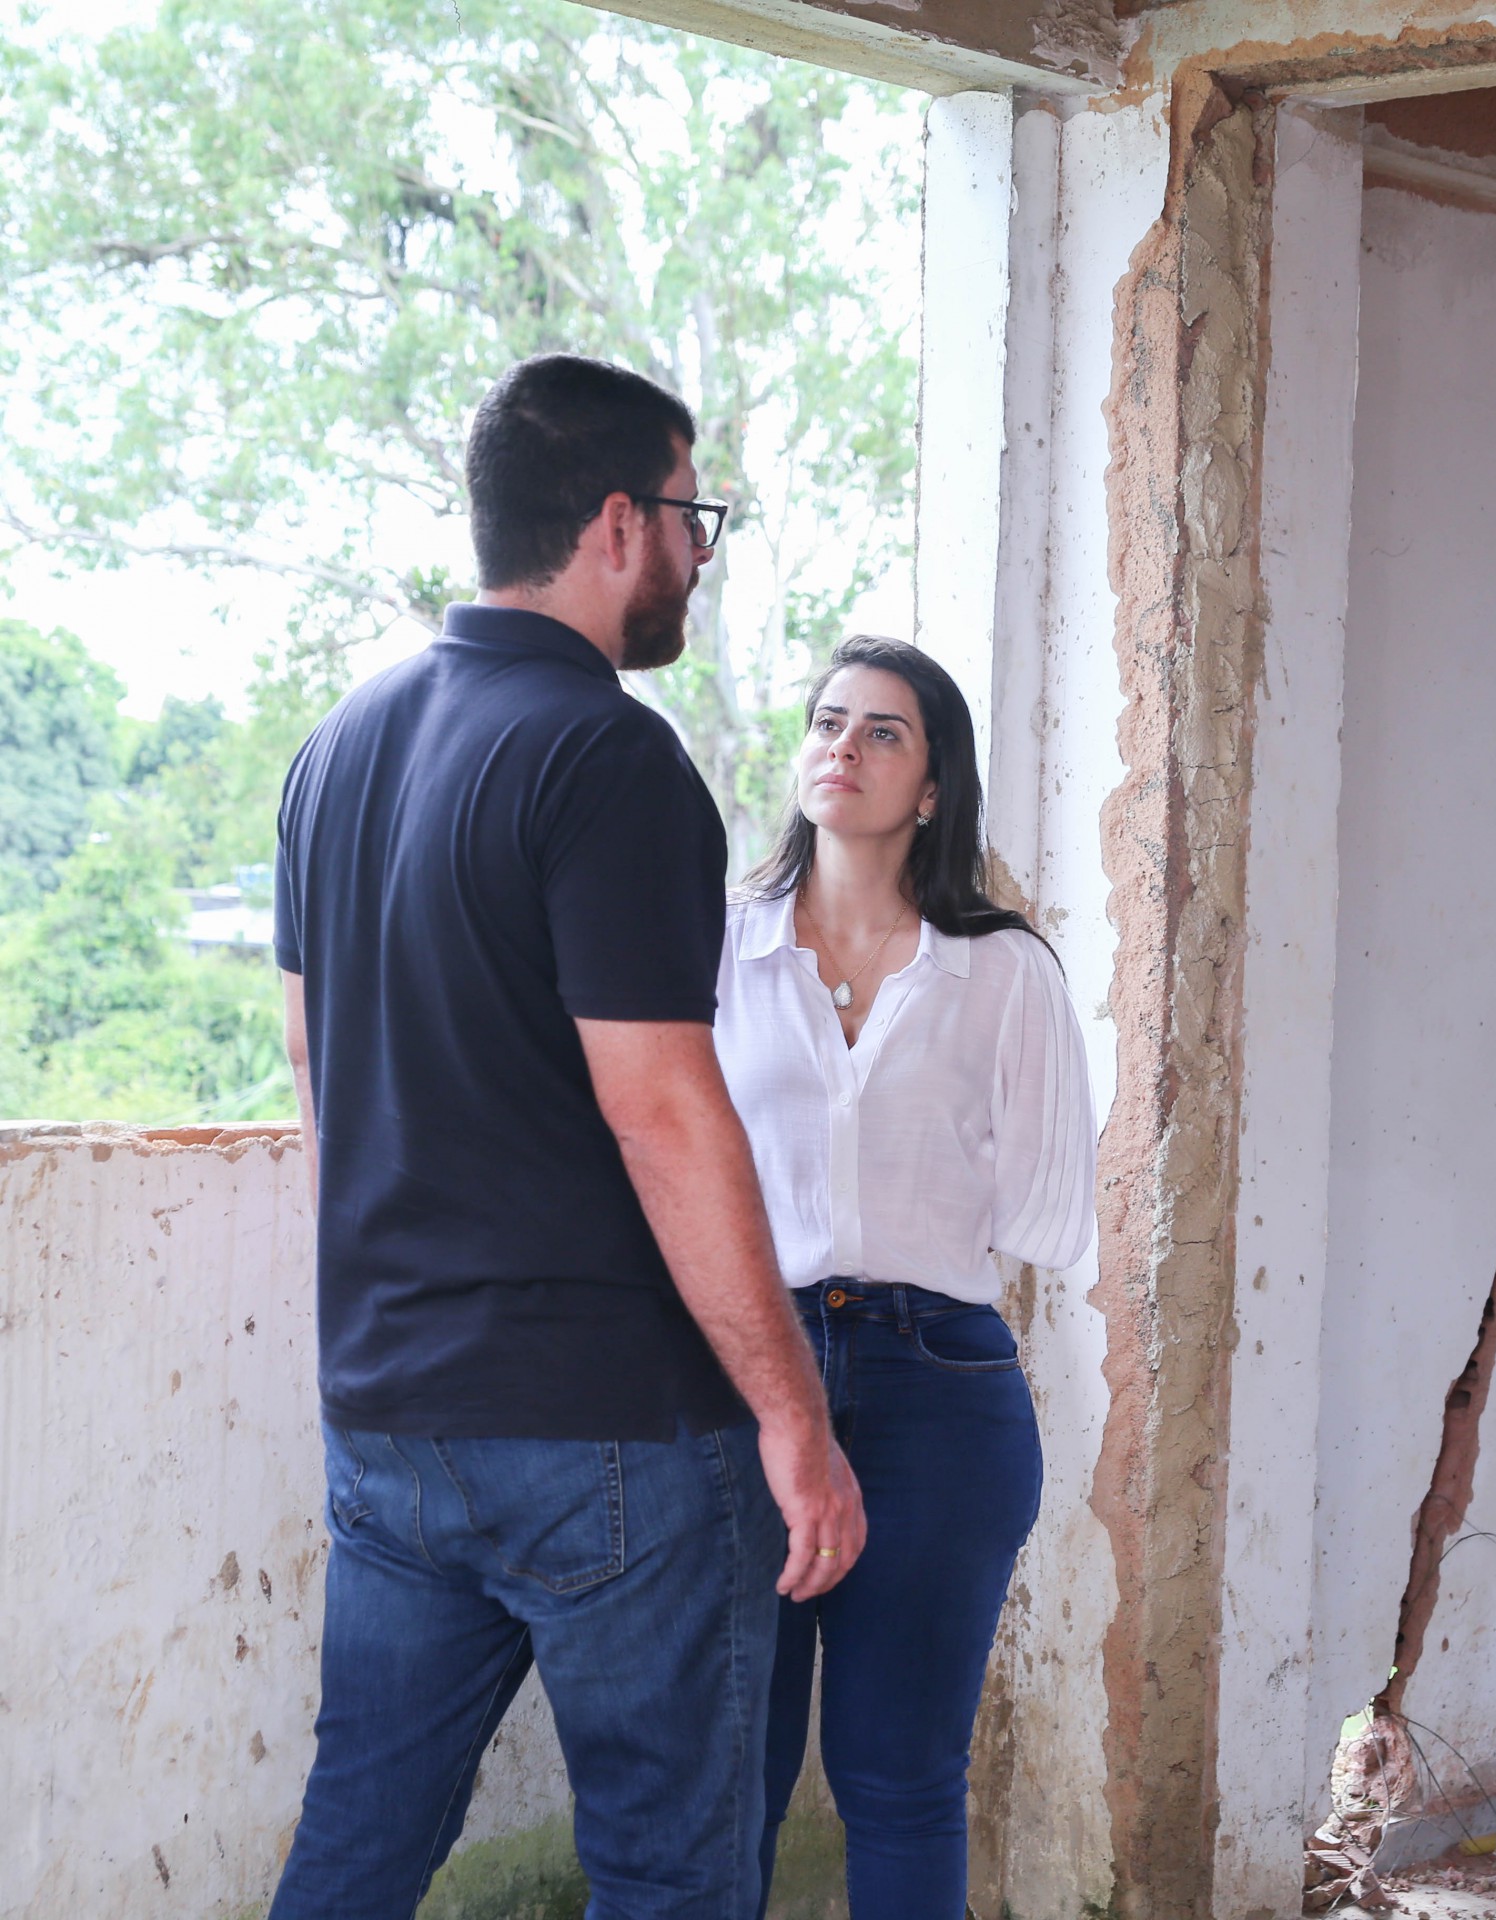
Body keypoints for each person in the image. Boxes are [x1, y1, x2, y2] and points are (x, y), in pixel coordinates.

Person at [269, 353, 865, 1920]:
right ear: (616, 522)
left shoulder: (336, 748)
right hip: (610, 1437)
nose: (696, 553)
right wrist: (793, 1421)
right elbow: (665, 1114)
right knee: (671, 1871)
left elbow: (314, 1070)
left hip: (388, 1415)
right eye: (690, 515)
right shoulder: (605, 757)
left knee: (355, 1847)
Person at [714, 635, 1098, 1920]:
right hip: (743, 1381)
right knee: (729, 1779)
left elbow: (1039, 1204)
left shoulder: (1004, 971)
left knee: (899, 1779)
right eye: (826, 722)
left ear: (932, 787)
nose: (842, 747)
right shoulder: (715, 952)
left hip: (937, 1384)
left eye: (883, 732)